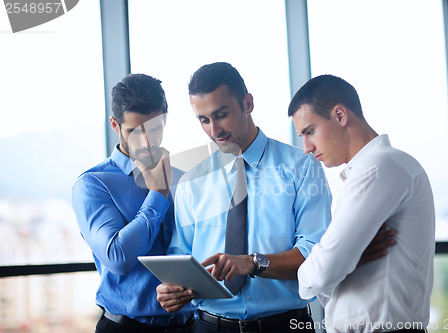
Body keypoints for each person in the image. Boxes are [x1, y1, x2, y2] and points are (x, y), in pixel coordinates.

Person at [156, 62, 395, 333]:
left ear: (248, 103)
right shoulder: (191, 182)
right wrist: (172, 290)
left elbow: (315, 252)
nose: (214, 130)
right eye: (204, 120)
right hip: (210, 326)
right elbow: (181, 255)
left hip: (285, 325)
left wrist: (252, 263)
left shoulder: (302, 167)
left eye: (221, 114)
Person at [289, 74, 435, 333]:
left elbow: (320, 274)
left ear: (340, 115)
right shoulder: (373, 170)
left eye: (310, 131)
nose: (306, 148)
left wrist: (329, 267)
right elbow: (326, 276)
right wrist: (342, 264)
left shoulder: (379, 168)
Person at [72, 74, 196, 333]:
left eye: (154, 129)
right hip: (125, 329)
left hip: (189, 326)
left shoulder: (184, 180)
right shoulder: (94, 184)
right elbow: (118, 258)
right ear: (115, 125)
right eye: (135, 132)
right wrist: (159, 193)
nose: (147, 142)